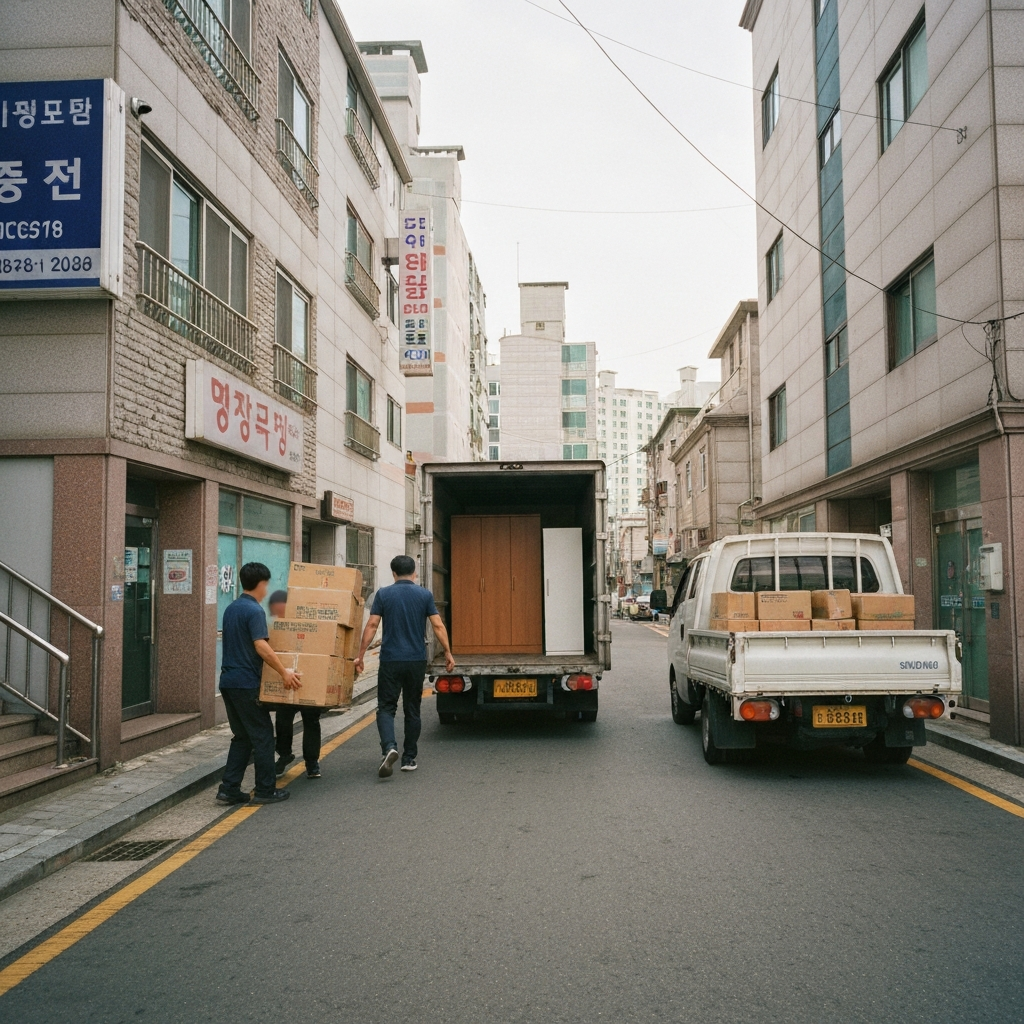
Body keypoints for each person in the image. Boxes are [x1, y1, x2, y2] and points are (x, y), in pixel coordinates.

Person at [355, 554, 455, 777]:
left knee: (386, 707)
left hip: (391, 659)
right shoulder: (424, 595)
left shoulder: (384, 594)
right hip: (415, 660)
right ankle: (409, 757)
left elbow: (372, 625)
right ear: (415, 573)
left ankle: (389, 747)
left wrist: (360, 655)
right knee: (412, 708)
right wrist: (447, 652)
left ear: (393, 573)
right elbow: (437, 625)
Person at [216, 562, 300, 805]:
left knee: (242, 736)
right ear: (261, 584)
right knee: (263, 736)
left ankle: (229, 788)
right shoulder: (254, 611)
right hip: (246, 683)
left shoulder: (231, 608)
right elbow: (261, 645)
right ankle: (265, 789)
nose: (267, 589)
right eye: (267, 584)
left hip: (228, 682)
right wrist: (284, 672)